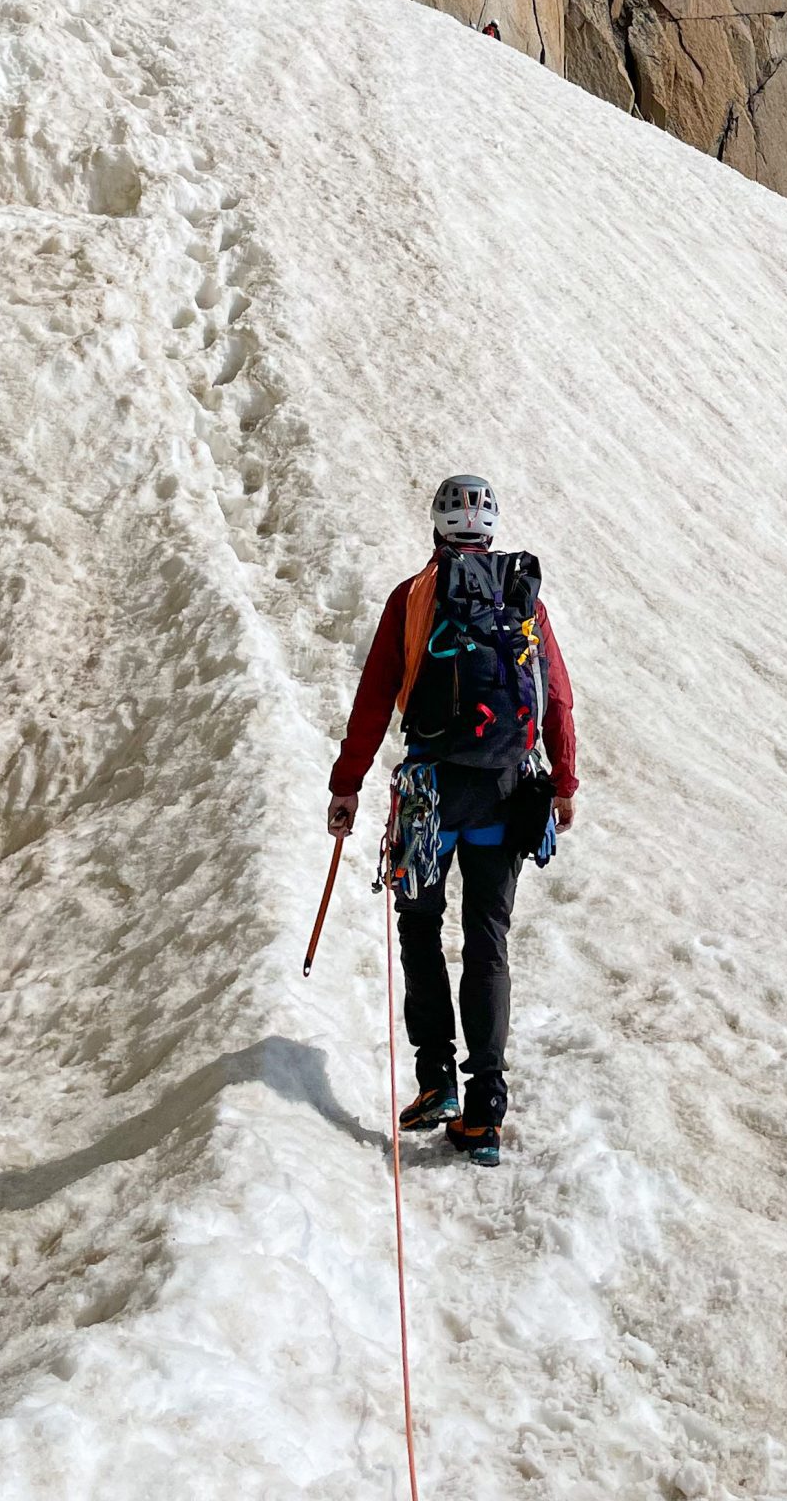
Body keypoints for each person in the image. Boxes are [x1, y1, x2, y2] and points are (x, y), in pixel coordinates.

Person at [328, 474, 577, 1168]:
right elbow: (556, 697)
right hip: (505, 790)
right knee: (488, 939)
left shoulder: (412, 598)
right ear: (490, 531)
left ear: (435, 526)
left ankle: (435, 1078)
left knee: (419, 927)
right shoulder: (523, 597)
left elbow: (376, 700)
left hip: (429, 793)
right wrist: (564, 782)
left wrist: (347, 786)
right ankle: (485, 1111)